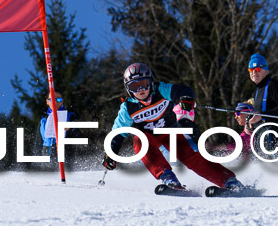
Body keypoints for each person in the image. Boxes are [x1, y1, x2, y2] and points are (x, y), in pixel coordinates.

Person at [101, 62, 244, 191]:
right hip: (149, 137)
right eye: (134, 86)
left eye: (144, 83)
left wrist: (186, 99)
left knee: (192, 156)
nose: (140, 89)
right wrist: (110, 154)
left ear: (151, 82)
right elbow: (118, 133)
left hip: (171, 132)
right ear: (128, 89)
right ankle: (167, 177)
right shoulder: (128, 108)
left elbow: (183, 90)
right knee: (139, 142)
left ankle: (228, 181)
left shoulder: (160, 90)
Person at [246, 53, 278, 153]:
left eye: (257, 69)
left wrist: (262, 116)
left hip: (274, 138)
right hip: (261, 138)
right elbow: (257, 113)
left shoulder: (273, 85)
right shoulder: (257, 90)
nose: (254, 72)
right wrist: (248, 123)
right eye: (251, 70)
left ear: (265, 71)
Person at [39, 90, 77, 157]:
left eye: (58, 99)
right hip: (47, 156)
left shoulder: (70, 116)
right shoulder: (43, 121)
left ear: (62, 101)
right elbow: (38, 142)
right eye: (52, 99)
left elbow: (78, 135)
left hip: (66, 155)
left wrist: (70, 129)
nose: (55, 102)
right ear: (47, 102)